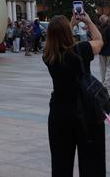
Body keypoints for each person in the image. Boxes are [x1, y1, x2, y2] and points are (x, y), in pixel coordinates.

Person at [43, 13, 104, 176]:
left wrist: (68, 25)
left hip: (60, 113)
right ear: (68, 33)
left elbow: (58, 40)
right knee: (92, 163)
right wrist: (89, 22)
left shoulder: (48, 56)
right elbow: (99, 41)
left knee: (60, 163)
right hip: (85, 112)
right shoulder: (81, 50)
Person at [97, 14, 110, 90]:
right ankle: (107, 83)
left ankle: (104, 82)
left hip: (102, 50)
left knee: (103, 68)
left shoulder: (99, 28)